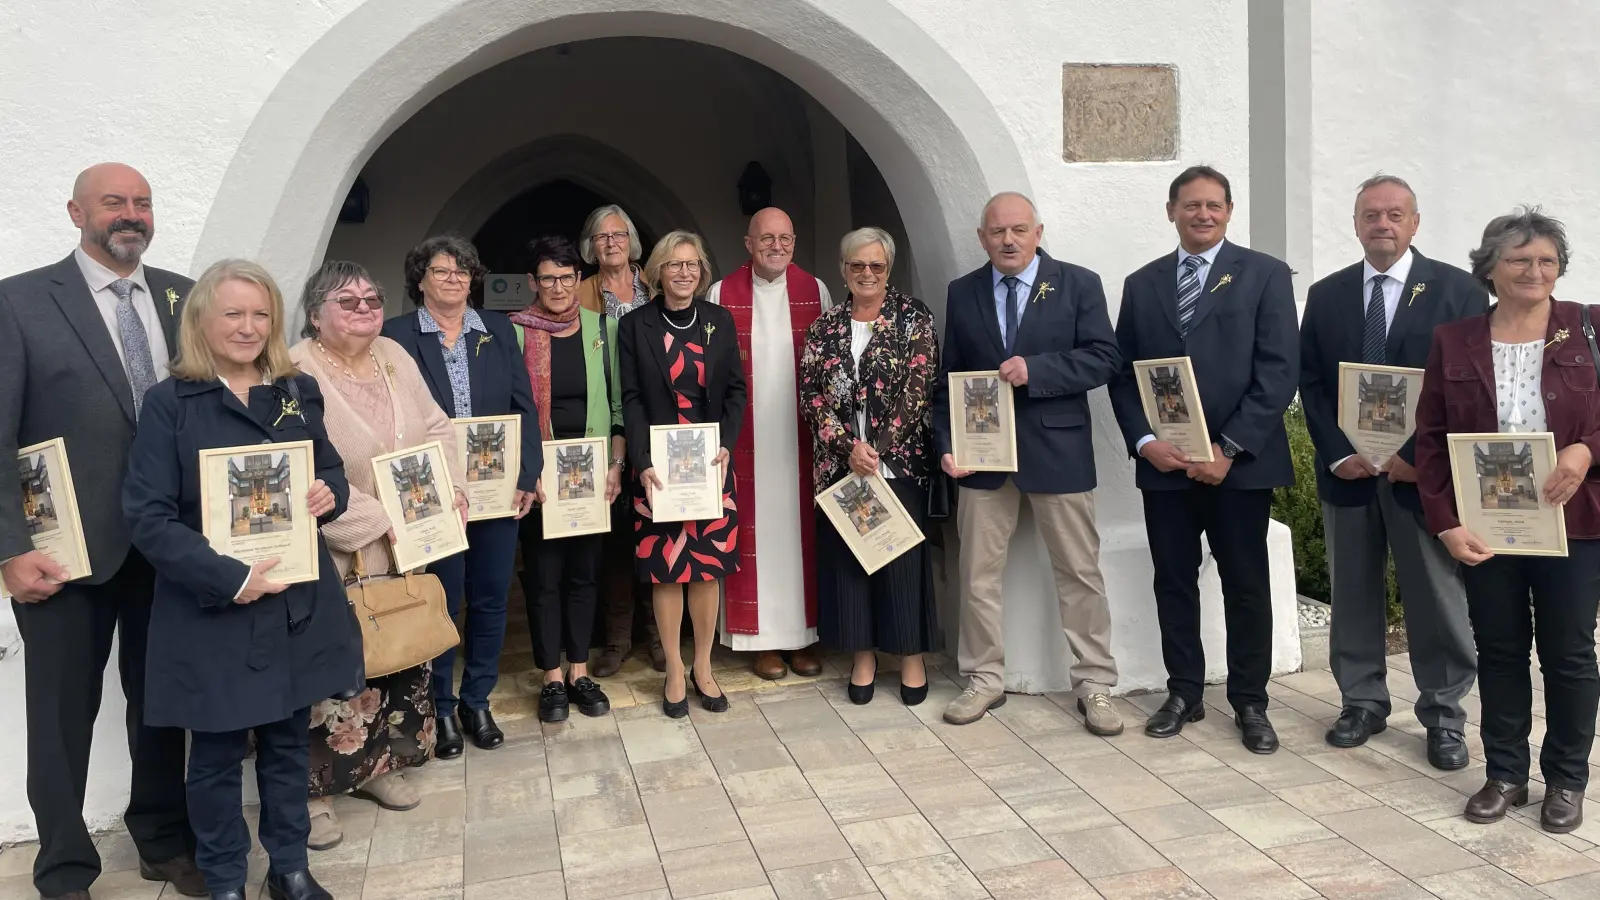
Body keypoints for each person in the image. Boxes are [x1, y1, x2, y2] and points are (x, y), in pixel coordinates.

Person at [121, 259, 357, 900]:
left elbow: (331, 474)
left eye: (260, 314)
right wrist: (229, 578)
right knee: (218, 757)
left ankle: (289, 869)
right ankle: (225, 881)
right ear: (202, 320)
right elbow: (147, 516)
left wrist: (321, 494)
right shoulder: (170, 403)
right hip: (215, 607)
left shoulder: (294, 390)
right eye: (233, 313)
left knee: (287, 745)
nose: (248, 326)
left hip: (293, 604)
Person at [0, 162, 203, 900]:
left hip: (168, 548)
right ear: (75, 211)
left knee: (161, 706)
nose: (131, 214)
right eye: (114, 202)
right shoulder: (18, 302)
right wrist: (9, 550)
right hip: (61, 555)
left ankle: (162, 839)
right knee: (59, 720)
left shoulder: (184, 295)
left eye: (143, 202)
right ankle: (62, 870)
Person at [1415, 208, 1598, 834]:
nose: (1534, 270)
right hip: (1488, 524)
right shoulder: (1455, 339)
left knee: (1569, 652)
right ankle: (1506, 775)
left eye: (1546, 260)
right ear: (1491, 267)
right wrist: (1444, 522)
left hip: (1573, 523)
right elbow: (1432, 440)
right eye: (1520, 260)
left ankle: (1567, 780)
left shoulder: (1587, 328)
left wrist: (1585, 449)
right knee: (1498, 650)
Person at [1299, 174, 1488, 768]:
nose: (1383, 224)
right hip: (1349, 473)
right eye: (1371, 215)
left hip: (1422, 477)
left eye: (1395, 214)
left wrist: (1418, 457)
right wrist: (1335, 452)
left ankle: (1443, 715)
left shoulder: (1457, 291)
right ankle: (1362, 701)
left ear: (1415, 222)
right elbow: (1310, 383)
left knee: (1435, 597)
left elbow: (1468, 389)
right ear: (1355, 224)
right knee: (1353, 592)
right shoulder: (1326, 295)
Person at [1110, 166, 1299, 754]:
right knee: (1173, 580)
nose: (1203, 214)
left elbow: (1278, 370)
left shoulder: (1265, 275)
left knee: (1246, 585)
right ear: (1171, 211)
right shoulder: (1142, 284)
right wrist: (1146, 443)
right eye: (1191, 205)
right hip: (1165, 467)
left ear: (1230, 210)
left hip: (1238, 467)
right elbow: (1122, 375)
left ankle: (1250, 701)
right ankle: (1184, 692)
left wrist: (1229, 448)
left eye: (1213, 205)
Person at [290, 261, 468, 850]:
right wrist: (382, 521)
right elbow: (304, 473)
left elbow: (439, 427)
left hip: (403, 546)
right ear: (316, 313)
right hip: (337, 551)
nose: (365, 308)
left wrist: (450, 490)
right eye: (348, 301)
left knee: (393, 653)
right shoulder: (294, 371)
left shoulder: (393, 354)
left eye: (372, 297)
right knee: (329, 674)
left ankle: (378, 770)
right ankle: (312, 796)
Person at [930, 193, 1124, 731]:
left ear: (1038, 231)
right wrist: (948, 441)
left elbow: (1106, 357)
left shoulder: (1077, 282)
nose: (1008, 240)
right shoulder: (962, 292)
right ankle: (984, 678)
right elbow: (951, 377)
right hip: (982, 459)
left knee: (1079, 572)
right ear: (981, 237)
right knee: (976, 575)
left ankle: (1095, 683)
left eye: (1018, 230)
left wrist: (1037, 370)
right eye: (997, 232)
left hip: (1057, 450)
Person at [382, 234, 542, 756]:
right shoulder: (396, 336)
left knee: (492, 597)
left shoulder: (498, 328)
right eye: (442, 271)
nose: (454, 280)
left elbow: (525, 405)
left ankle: (478, 699)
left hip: (496, 490)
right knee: (443, 601)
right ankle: (442, 708)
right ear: (420, 278)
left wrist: (529, 470)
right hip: (433, 494)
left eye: (463, 272)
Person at [799, 227, 939, 706]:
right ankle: (862, 657)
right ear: (843, 269)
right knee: (851, 568)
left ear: (888, 269)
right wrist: (847, 449)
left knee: (900, 563)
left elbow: (919, 385)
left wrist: (875, 448)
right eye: (857, 265)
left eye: (876, 266)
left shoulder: (912, 317)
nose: (866, 273)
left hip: (895, 465)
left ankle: (911, 658)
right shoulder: (825, 327)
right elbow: (812, 397)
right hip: (842, 470)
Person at [618, 231, 747, 717]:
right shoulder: (634, 326)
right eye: (674, 265)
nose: (684, 273)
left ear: (702, 271)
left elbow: (736, 390)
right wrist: (642, 458)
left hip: (711, 464)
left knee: (707, 570)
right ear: (657, 272)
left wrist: (727, 446)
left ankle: (704, 666)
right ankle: (674, 667)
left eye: (692, 264)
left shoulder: (719, 321)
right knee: (667, 572)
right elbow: (629, 397)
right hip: (658, 467)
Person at [705, 208, 832, 681]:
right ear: (748, 242)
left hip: (801, 437)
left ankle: (802, 638)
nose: (776, 246)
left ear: (794, 242)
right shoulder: (721, 293)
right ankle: (760, 642)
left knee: (799, 538)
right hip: (745, 438)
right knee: (756, 536)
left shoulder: (815, 290)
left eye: (785, 238)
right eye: (766, 239)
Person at [508, 235, 622, 722]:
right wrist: (524, 470)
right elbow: (508, 412)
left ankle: (579, 670)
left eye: (567, 277)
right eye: (548, 278)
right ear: (533, 283)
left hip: (592, 475)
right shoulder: (512, 333)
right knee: (543, 576)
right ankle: (551, 677)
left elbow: (618, 405)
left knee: (584, 573)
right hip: (540, 478)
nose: (558, 287)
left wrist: (617, 464)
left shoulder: (604, 328)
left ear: (580, 279)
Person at [575, 204, 664, 676]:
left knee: (655, 530)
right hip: (603, 426)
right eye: (601, 236)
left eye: (619, 234)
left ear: (632, 241)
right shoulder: (581, 291)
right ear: (590, 248)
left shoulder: (656, 285)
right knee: (613, 539)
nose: (611, 242)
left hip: (653, 422)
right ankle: (616, 638)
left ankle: (658, 635)